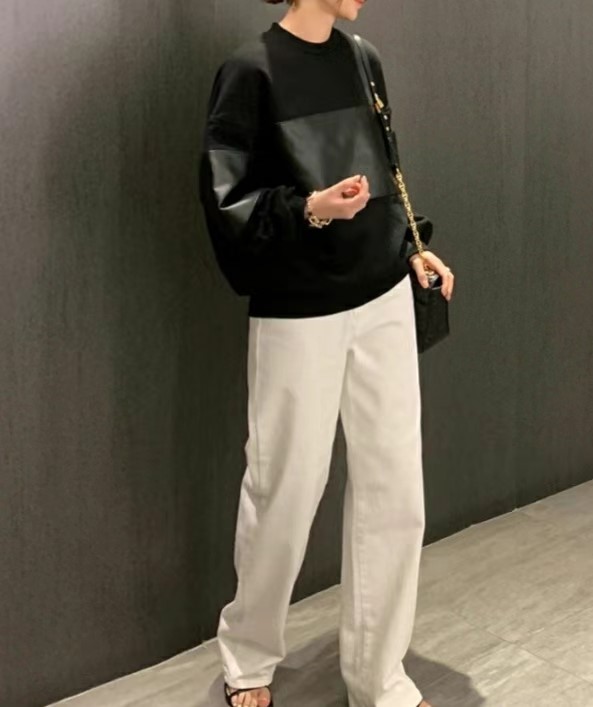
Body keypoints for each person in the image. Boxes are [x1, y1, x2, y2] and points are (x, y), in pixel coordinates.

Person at [199, 0, 455, 705]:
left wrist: (412, 245)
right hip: (298, 311)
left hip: (383, 299)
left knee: (395, 489)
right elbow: (226, 204)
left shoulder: (363, 59)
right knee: (284, 487)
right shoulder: (250, 72)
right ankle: (248, 655)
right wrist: (311, 208)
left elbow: (388, 172)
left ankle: (379, 674)